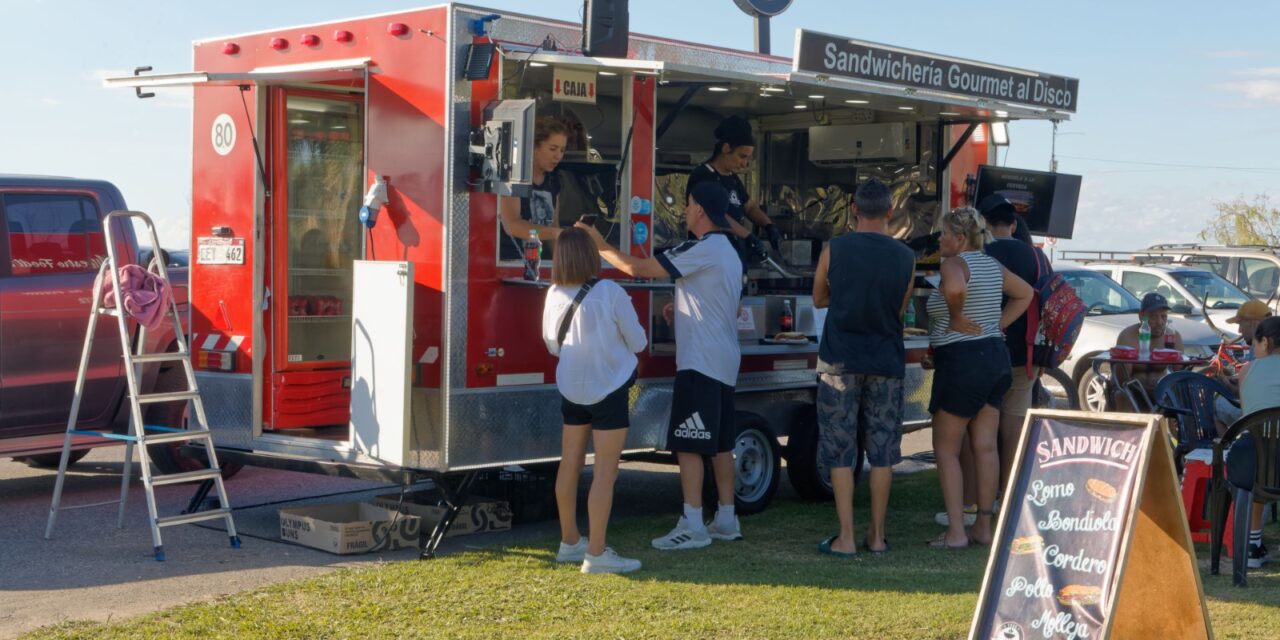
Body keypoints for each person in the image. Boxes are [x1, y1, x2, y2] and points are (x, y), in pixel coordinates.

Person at [577, 181, 744, 550]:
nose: (685, 211)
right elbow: (729, 307)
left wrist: (600, 246)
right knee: (720, 444)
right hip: (725, 358)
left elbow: (640, 269)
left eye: (687, 204)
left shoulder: (700, 247)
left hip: (699, 361)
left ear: (700, 209)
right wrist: (683, 309)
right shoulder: (730, 252)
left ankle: (693, 524)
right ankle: (727, 519)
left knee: (689, 443)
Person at [811, 178, 915, 557]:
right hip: (886, 360)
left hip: (840, 360)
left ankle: (846, 537)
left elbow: (819, 298)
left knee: (840, 448)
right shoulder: (906, 257)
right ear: (890, 211)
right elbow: (901, 311)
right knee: (883, 449)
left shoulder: (833, 249)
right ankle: (876, 535)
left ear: (854, 209)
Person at [924, 207, 1032, 548]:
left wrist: (955, 317)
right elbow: (1026, 293)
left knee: (946, 449)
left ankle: (956, 532)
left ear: (959, 238)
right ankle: (984, 527)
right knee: (985, 446)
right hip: (995, 360)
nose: (938, 239)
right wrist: (997, 325)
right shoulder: (992, 265)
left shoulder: (954, 264)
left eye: (943, 233)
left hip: (962, 362)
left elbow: (954, 288)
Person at [542, 228, 648, 574]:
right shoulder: (610, 291)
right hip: (609, 388)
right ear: (592, 256)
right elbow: (638, 342)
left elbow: (551, 345)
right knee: (605, 471)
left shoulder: (553, 293)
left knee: (569, 464)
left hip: (571, 388)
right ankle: (597, 553)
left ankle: (569, 542)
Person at [979, 194, 1052, 493]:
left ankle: (981, 493)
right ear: (1013, 224)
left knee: (982, 429)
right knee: (1013, 429)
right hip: (1026, 353)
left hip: (983, 350)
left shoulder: (978, 254)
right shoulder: (1036, 256)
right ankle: (1008, 494)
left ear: (983, 222)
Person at [1225, 315, 1280, 568]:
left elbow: (1249, 417)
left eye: (1255, 345)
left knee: (1258, 448)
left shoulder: (1246, 371)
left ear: (1265, 342)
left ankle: (1252, 545)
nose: (1253, 351)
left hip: (1252, 467)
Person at [686, 115, 781, 257]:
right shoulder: (703, 175)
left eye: (748, 158)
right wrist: (748, 236)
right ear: (726, 148)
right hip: (709, 254)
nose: (744, 163)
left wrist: (769, 226)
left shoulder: (733, 178)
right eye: (742, 156)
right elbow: (717, 215)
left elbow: (749, 207)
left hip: (732, 252)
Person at [499, 116, 568, 261]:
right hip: (513, 261)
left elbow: (553, 223)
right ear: (534, 147)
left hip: (543, 263)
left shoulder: (554, 179)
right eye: (552, 149)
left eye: (562, 150)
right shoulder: (515, 176)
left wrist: (563, 264)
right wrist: (555, 233)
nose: (558, 156)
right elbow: (512, 225)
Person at [1114, 292, 1185, 409]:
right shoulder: (1128, 336)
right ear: (1141, 316)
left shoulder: (1173, 336)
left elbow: (1181, 374)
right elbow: (1122, 379)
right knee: (1122, 395)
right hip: (1132, 390)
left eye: (1163, 316)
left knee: (1184, 395)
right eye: (1153, 316)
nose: (1160, 322)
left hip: (1160, 391)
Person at [1216, 299, 1273, 427]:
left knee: (1218, 405)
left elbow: (1247, 394)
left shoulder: (1259, 348)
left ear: (1254, 323)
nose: (1239, 330)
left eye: (1241, 324)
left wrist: (1225, 382)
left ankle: (1227, 446)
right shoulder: (1270, 345)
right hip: (1271, 417)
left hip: (1259, 421)